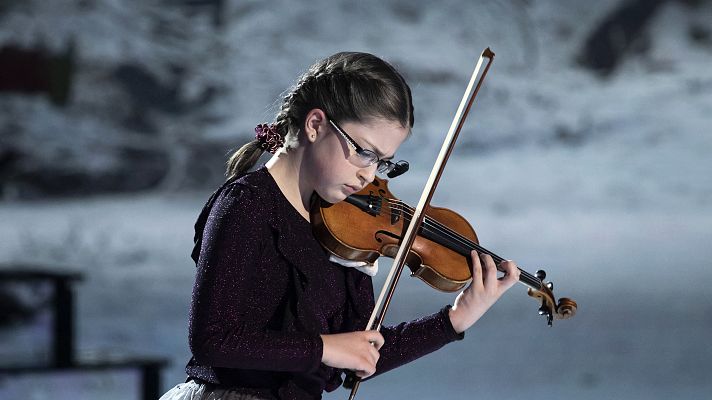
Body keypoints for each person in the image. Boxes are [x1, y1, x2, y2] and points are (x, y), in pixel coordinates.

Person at [159, 51, 520, 400]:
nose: (368, 174)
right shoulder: (247, 205)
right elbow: (213, 339)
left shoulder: (349, 228)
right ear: (315, 125)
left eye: (383, 162)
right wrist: (324, 348)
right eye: (364, 151)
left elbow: (361, 352)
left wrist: (455, 319)